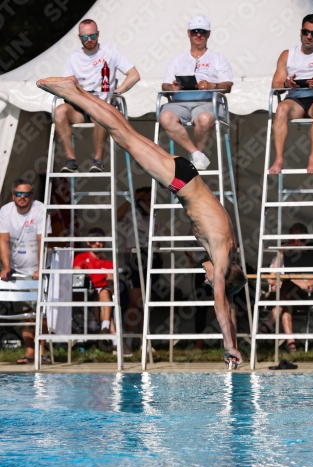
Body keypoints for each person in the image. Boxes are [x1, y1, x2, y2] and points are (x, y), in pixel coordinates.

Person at [36, 76, 247, 367]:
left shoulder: (226, 251)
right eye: (212, 282)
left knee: (123, 131)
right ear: (223, 276)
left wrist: (233, 343)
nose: (208, 280)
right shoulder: (222, 258)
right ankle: (71, 91)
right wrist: (227, 346)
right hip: (178, 181)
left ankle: (77, 91)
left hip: (184, 175)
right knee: (120, 132)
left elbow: (230, 308)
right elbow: (222, 305)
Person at [56, 18, 140, 173]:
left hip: (102, 103)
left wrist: (117, 91)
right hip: (80, 106)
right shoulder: (73, 57)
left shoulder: (110, 52)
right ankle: (70, 159)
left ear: (98, 34)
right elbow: (67, 85)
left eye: (92, 36)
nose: (89, 40)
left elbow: (134, 75)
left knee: (101, 112)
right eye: (85, 37)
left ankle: (98, 160)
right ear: (79, 37)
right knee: (59, 111)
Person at [159, 15, 233, 171]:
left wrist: (210, 85)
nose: (198, 35)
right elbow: (165, 84)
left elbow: (227, 86)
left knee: (205, 119)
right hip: (180, 102)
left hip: (207, 102)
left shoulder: (218, 58)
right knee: (164, 117)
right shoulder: (178, 59)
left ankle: (193, 161)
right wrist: (172, 88)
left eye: (202, 31)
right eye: (195, 31)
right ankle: (196, 155)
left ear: (208, 34)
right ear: (188, 33)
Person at [270, 13, 313, 175]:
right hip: (296, 99)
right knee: (281, 108)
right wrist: (287, 84)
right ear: (300, 32)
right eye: (306, 32)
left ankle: (312, 157)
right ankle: (278, 158)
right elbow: (275, 85)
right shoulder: (287, 54)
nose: (309, 37)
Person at [0, 179, 51, 364]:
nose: (22, 198)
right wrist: (6, 267)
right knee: (24, 313)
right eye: (19, 194)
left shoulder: (40, 209)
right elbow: (3, 241)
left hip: (38, 268)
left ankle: (42, 352)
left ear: (32, 196)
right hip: (18, 269)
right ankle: (30, 352)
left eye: (26, 194)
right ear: (13, 195)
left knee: (40, 313)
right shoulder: (5, 211)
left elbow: (42, 241)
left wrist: (40, 267)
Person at [260, 223, 313, 352]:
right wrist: (281, 253)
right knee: (286, 305)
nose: (297, 244)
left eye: (301, 240)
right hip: (279, 297)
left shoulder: (311, 258)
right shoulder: (280, 257)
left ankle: (270, 321)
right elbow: (270, 279)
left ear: (306, 240)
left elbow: (311, 284)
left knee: (287, 286)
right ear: (288, 240)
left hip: (299, 297)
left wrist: (288, 280)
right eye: (294, 240)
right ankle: (291, 343)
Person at [117, 187, 162, 351]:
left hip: (151, 255)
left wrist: (160, 257)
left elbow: (158, 237)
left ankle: (144, 341)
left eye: (152, 198)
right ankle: (128, 342)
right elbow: (117, 216)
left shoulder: (155, 213)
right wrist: (132, 198)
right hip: (134, 255)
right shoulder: (133, 210)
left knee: (146, 302)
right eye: (147, 198)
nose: (150, 201)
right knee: (134, 302)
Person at [73, 227, 118, 352]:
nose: (97, 243)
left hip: (103, 295)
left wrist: (112, 281)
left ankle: (106, 330)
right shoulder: (81, 257)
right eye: (94, 241)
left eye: (100, 241)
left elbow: (113, 289)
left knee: (105, 293)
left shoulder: (109, 263)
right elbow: (77, 276)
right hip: (86, 294)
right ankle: (112, 338)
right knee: (104, 297)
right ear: (88, 242)